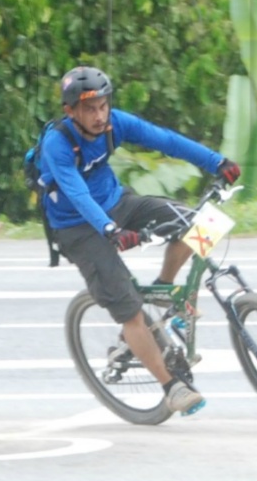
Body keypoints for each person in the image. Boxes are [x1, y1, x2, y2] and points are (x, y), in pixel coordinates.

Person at [37, 65, 241, 418]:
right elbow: (76, 191)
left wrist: (216, 161)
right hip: (78, 228)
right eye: (89, 109)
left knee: (206, 224)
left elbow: (166, 140)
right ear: (70, 111)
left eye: (103, 105)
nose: (99, 116)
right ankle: (171, 387)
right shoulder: (57, 143)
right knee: (129, 310)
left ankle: (165, 293)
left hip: (118, 202)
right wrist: (109, 230)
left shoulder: (116, 122)